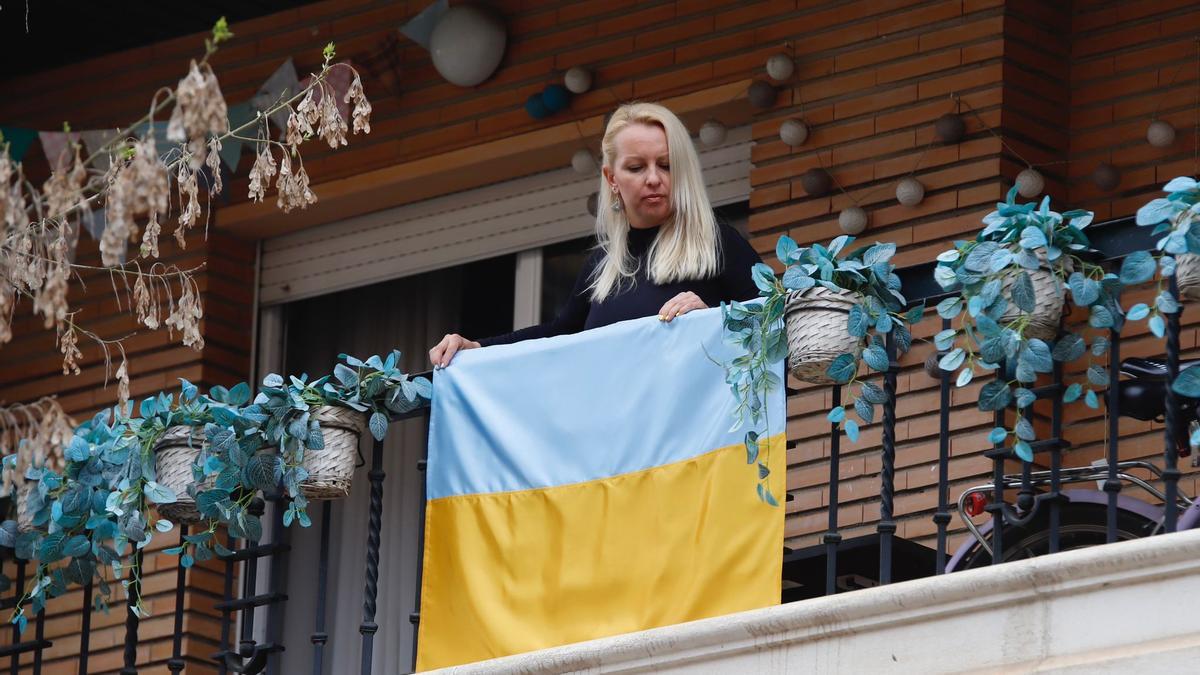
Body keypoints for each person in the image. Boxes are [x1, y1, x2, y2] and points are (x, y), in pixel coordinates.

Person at [428, 101, 762, 368]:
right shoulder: (601, 268)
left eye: (666, 164)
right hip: (615, 447)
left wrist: (715, 319)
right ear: (611, 177)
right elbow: (557, 335)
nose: (653, 178)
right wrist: (476, 348)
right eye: (636, 167)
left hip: (697, 448)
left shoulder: (717, 243)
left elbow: (776, 331)